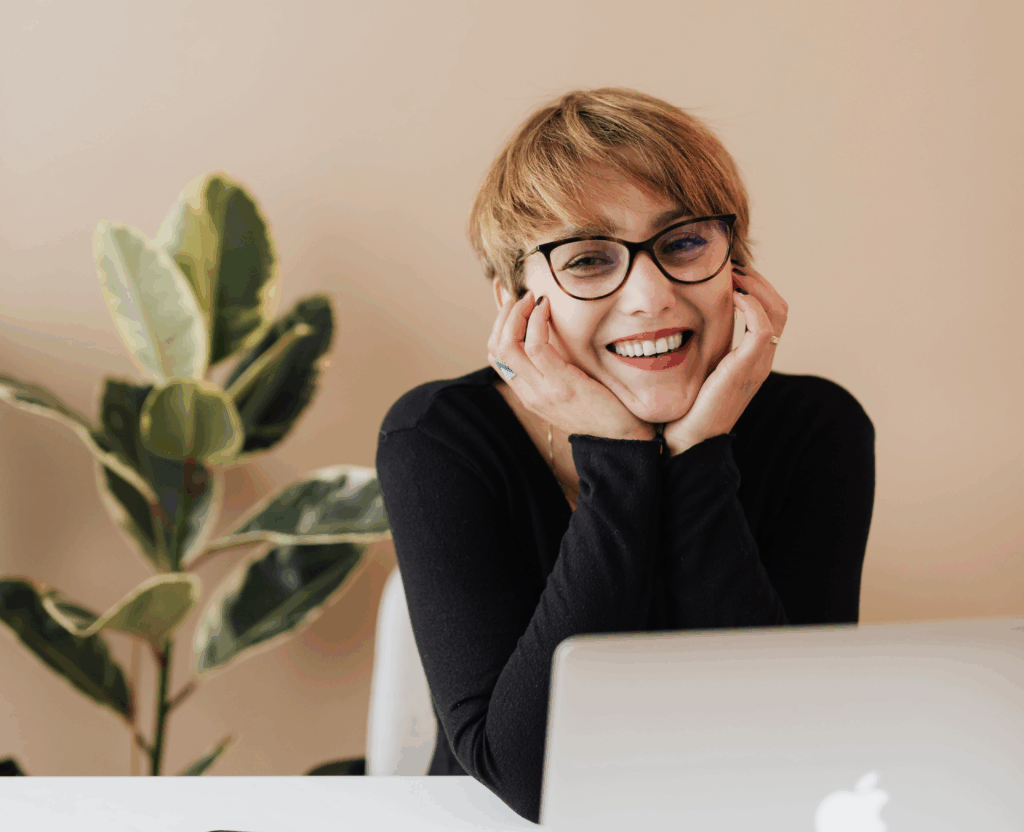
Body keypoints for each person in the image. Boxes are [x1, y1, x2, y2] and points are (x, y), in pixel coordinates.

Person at [375, 88, 875, 824]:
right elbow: (528, 779)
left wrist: (698, 454)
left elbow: (792, 743)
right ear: (515, 298)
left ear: (735, 265)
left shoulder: (817, 427)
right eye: (586, 260)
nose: (649, 296)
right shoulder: (438, 438)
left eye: (682, 244)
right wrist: (618, 456)